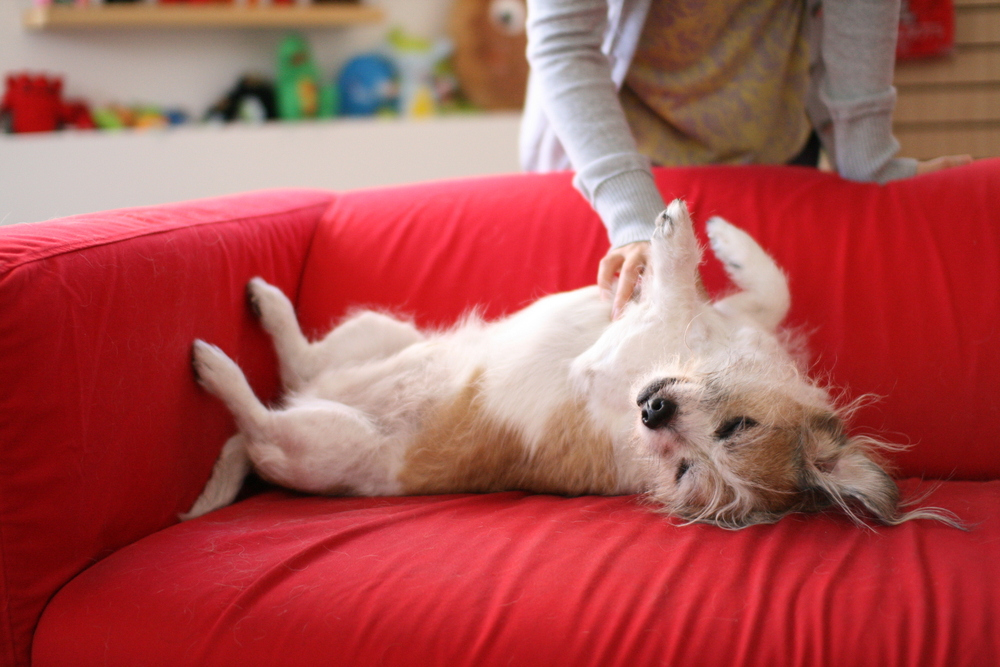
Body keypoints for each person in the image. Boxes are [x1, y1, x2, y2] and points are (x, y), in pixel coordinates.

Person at [519, 0, 972, 319]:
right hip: (616, 162)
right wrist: (635, 220)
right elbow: (565, 42)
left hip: (773, 146)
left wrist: (869, 163)